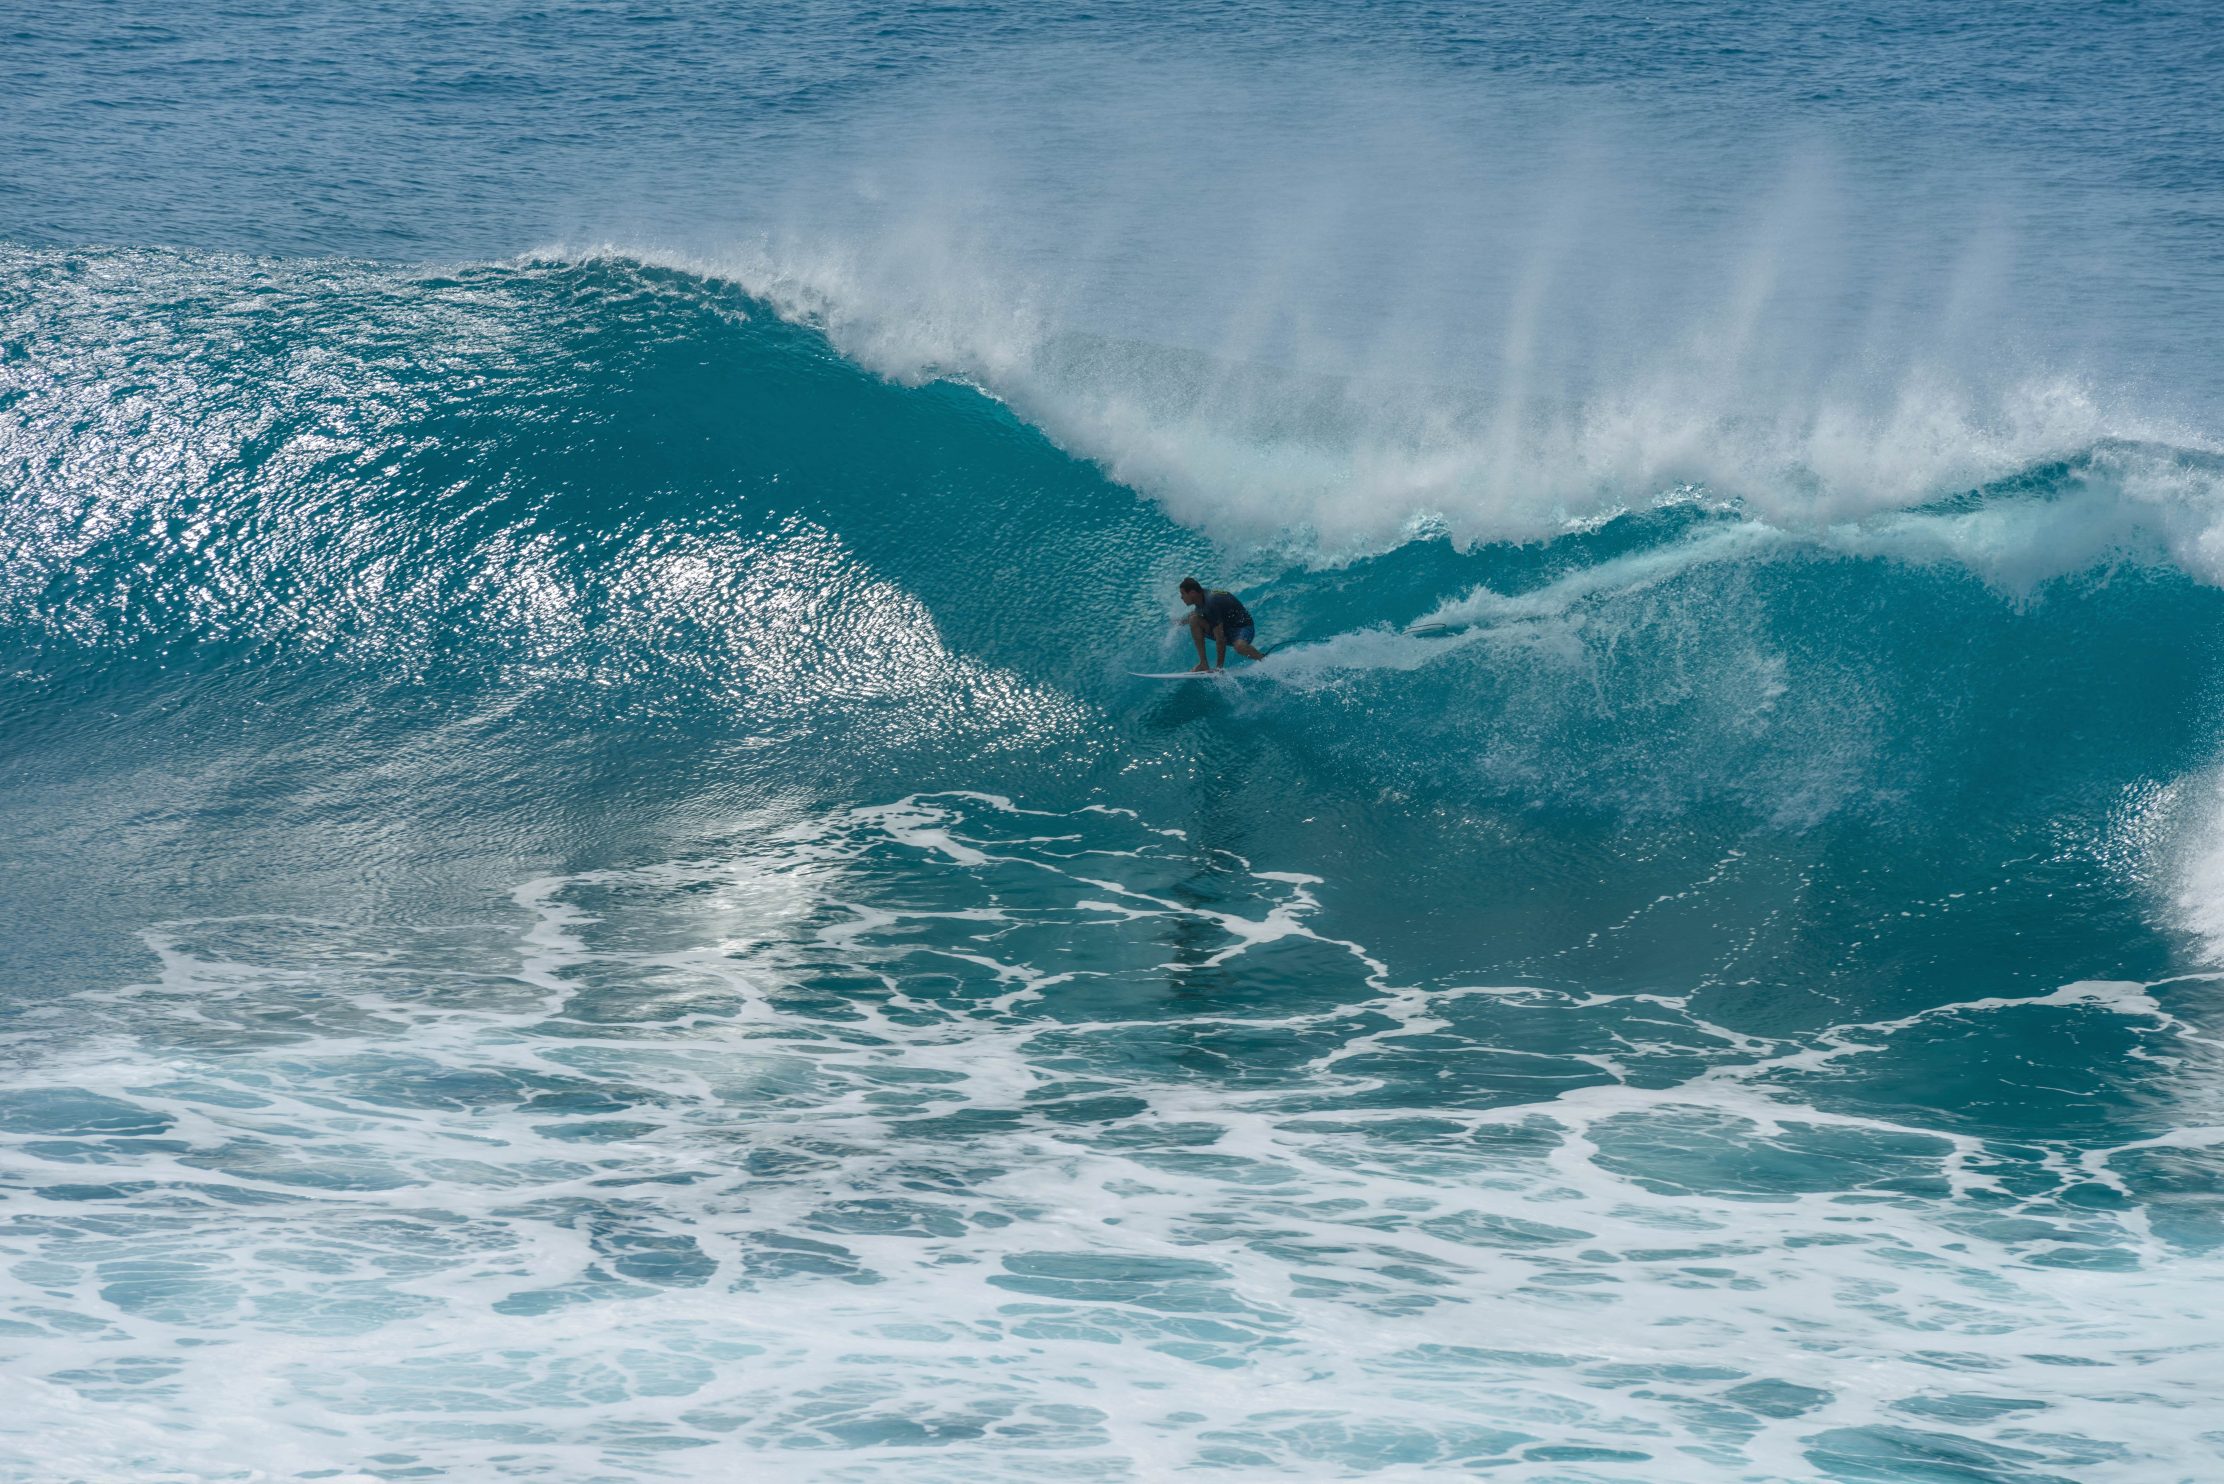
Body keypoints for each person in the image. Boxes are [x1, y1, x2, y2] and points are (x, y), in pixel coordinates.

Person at [1178, 577, 1267, 671]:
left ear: (1192, 593)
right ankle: (1203, 664)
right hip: (1226, 628)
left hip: (1243, 628)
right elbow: (1196, 613)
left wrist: (1219, 668)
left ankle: (1263, 660)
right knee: (1193, 620)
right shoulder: (1200, 597)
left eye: (1183, 594)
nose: (1181, 597)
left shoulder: (1211, 602)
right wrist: (1180, 622)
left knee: (1239, 646)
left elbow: (1220, 639)